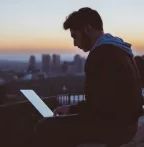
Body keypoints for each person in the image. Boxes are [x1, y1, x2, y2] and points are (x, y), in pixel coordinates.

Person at [34, 7, 143, 147]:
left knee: (45, 127)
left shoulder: (101, 54)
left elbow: (97, 106)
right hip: (127, 125)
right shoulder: (119, 49)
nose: (74, 43)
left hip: (115, 129)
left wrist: (73, 110)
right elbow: (106, 100)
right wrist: (73, 109)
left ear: (87, 29)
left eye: (75, 36)